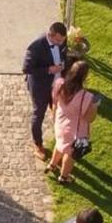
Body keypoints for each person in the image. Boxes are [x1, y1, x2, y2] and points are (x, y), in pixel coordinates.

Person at [22, 22, 68, 160]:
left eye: (62, 41)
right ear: (50, 35)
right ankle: (38, 144)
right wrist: (49, 70)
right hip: (40, 86)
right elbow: (27, 69)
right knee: (39, 114)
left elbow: (63, 54)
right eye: (58, 41)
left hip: (57, 83)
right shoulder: (36, 46)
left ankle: (61, 140)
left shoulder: (62, 42)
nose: (60, 44)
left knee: (60, 111)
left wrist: (63, 66)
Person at [48, 60, 98, 185]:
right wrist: (95, 105)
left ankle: (52, 165)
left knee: (59, 144)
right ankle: (64, 177)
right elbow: (89, 118)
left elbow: (54, 102)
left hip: (60, 123)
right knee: (70, 155)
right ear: (84, 76)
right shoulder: (86, 97)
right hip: (75, 131)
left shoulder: (59, 84)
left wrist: (54, 117)